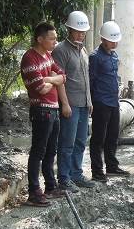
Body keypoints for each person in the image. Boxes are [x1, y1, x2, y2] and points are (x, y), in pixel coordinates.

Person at [20, 22, 67, 206]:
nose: (55, 41)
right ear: (40, 39)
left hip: (53, 109)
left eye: (56, 38)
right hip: (41, 110)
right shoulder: (30, 59)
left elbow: (63, 75)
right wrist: (52, 80)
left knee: (50, 151)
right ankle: (33, 191)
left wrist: (49, 79)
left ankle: (50, 186)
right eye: (52, 38)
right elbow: (40, 88)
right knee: (38, 151)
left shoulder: (48, 56)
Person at [52, 11, 94, 193]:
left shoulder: (83, 50)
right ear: (69, 29)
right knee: (66, 142)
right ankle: (64, 178)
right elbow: (58, 78)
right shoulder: (61, 50)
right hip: (70, 104)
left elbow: (86, 78)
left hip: (84, 104)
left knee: (80, 141)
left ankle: (76, 174)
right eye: (77, 31)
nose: (80, 34)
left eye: (83, 31)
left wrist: (90, 101)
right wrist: (65, 104)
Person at [89, 21, 129, 182]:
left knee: (113, 135)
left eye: (116, 40)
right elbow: (91, 81)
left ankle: (111, 166)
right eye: (112, 40)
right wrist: (90, 102)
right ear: (103, 39)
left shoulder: (114, 55)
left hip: (113, 101)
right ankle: (97, 171)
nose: (115, 43)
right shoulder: (95, 57)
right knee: (99, 137)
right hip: (100, 102)